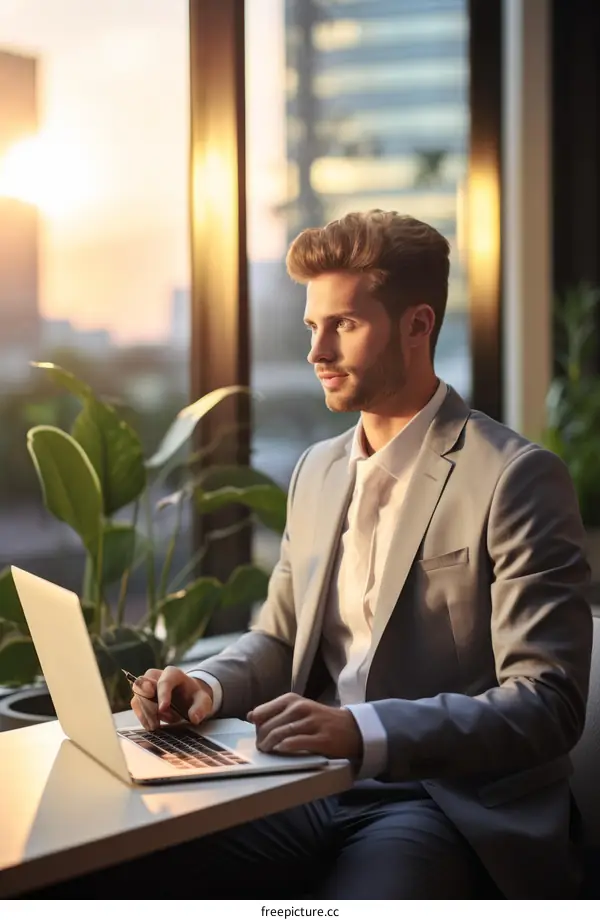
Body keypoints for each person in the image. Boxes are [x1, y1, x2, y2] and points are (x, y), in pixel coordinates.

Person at [132, 210, 592, 899]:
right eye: (313, 325)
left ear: (418, 325)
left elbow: (546, 704)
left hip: (443, 803)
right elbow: (279, 635)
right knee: (120, 871)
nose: (318, 351)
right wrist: (208, 685)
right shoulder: (317, 471)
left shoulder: (516, 476)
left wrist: (359, 730)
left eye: (343, 325)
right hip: (301, 784)